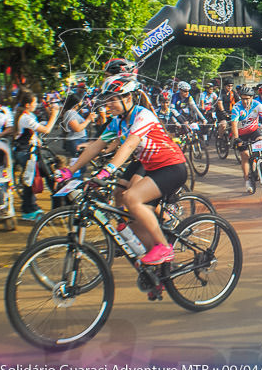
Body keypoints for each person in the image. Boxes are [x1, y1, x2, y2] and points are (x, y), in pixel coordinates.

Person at [68, 74, 187, 265]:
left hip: (172, 167)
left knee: (131, 197)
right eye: (106, 100)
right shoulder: (118, 122)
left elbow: (130, 145)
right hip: (153, 169)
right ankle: (157, 268)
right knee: (131, 215)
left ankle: (164, 248)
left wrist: (106, 171)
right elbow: (96, 146)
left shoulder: (143, 115)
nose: (108, 105)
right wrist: (71, 169)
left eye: (112, 100)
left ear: (128, 98)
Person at [12, 90, 61, 220]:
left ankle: (30, 207)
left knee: (31, 179)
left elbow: (35, 131)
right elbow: (47, 129)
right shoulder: (25, 117)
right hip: (26, 154)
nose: (36, 104)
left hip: (29, 152)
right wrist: (54, 114)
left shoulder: (27, 115)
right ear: (28, 104)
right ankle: (29, 210)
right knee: (39, 177)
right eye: (34, 102)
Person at [230, 85, 262, 194]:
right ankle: (247, 180)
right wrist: (237, 138)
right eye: (243, 98)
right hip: (241, 133)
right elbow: (234, 124)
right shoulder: (236, 108)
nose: (245, 101)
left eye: (247, 98)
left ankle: (260, 163)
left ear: (252, 98)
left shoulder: (257, 105)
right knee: (245, 156)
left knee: (261, 141)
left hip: (254, 131)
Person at [61, 94, 96, 158]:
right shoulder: (69, 113)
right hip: (76, 140)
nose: (83, 101)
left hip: (80, 138)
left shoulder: (74, 112)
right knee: (79, 162)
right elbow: (77, 128)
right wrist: (88, 119)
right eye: (81, 100)